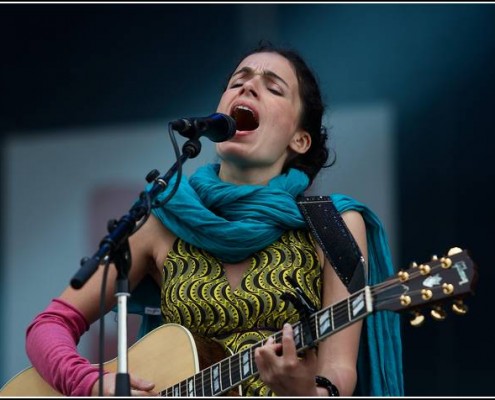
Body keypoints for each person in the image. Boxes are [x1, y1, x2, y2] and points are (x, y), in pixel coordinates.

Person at [25, 42, 404, 396]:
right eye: (237, 82)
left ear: (300, 140)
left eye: (273, 88)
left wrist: (303, 391)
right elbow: (48, 326)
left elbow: (339, 372)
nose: (248, 88)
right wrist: (88, 382)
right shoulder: (163, 219)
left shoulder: (332, 223)